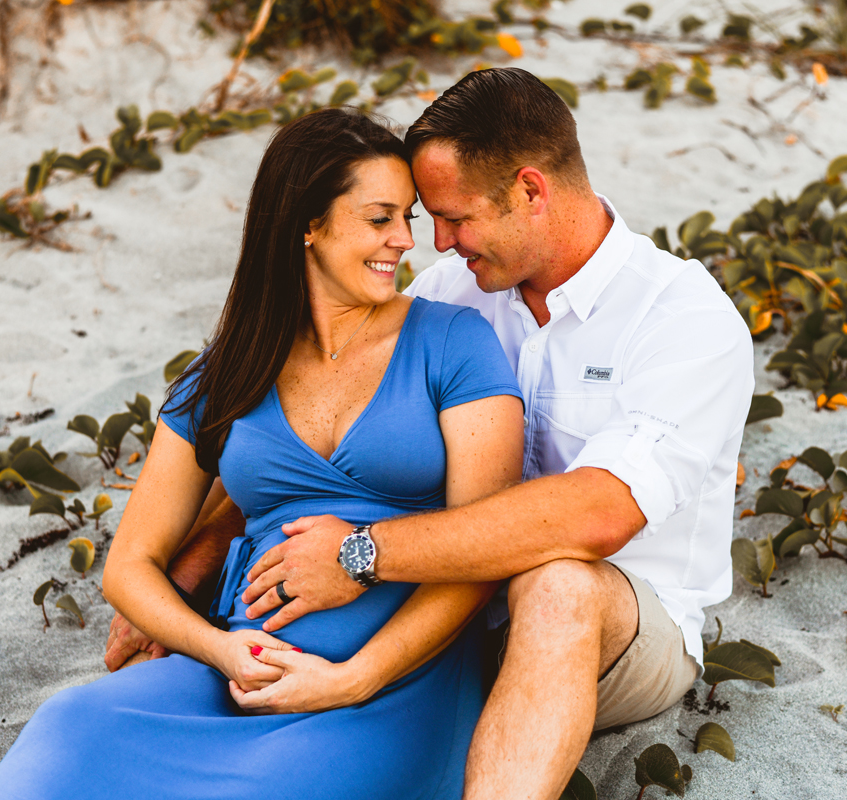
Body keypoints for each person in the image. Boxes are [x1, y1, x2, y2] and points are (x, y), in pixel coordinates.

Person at [109, 68, 755, 799]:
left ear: (531, 191)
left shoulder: (684, 319)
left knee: (558, 585)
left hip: (619, 623)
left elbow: (598, 515)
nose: (436, 244)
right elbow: (321, 424)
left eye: (453, 217)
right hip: (445, 615)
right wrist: (190, 568)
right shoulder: (456, 292)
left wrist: (360, 553)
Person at [0, 107, 526, 799]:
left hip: (396, 690)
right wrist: (221, 648)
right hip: (237, 676)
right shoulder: (227, 371)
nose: (405, 241)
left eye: (406, 217)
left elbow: (484, 550)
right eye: (381, 219)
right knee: (71, 721)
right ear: (307, 225)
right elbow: (131, 566)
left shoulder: (454, 342)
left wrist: (357, 676)